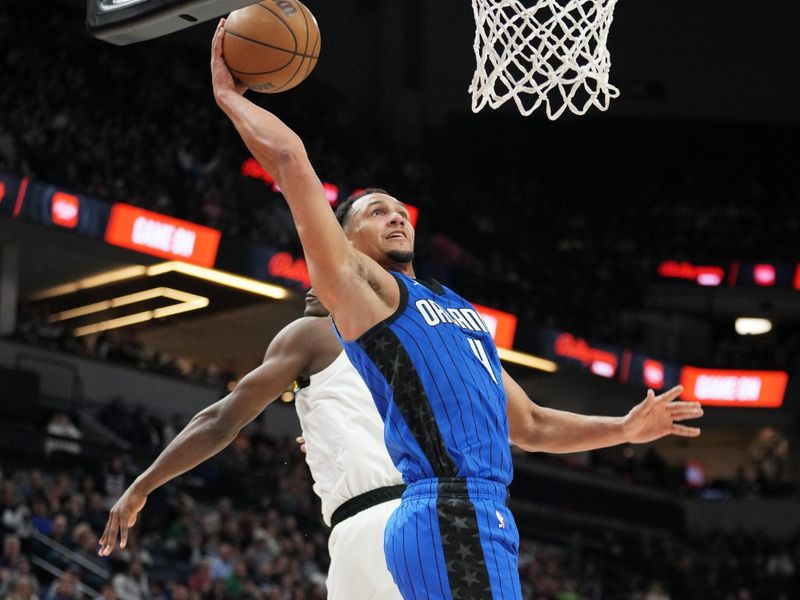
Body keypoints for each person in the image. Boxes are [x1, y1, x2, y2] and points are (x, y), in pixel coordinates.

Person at [208, 18, 705, 600]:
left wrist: (622, 428)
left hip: (481, 515)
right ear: (342, 237)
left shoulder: (455, 310)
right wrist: (227, 96)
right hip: (445, 509)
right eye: (375, 212)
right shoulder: (359, 293)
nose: (396, 216)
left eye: (399, 208)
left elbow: (532, 424)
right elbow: (292, 163)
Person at [98, 291, 404, 600]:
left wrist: (142, 485)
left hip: (373, 524)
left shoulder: (315, 334)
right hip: (429, 513)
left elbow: (220, 422)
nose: (311, 287)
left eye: (321, 271)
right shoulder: (401, 346)